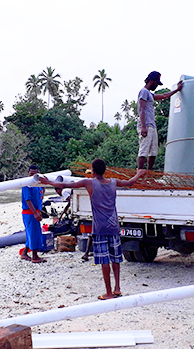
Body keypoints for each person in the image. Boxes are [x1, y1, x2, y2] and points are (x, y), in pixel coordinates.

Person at [39, 159, 145, 300]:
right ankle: (117, 288)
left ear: (93, 171)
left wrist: (48, 182)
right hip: (114, 226)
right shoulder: (113, 182)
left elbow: (66, 184)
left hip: (100, 228)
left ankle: (108, 292)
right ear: (105, 170)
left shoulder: (89, 183)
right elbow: (130, 183)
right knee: (115, 258)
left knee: (104, 259)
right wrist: (139, 174)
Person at [137, 71, 183, 170]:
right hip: (146, 125)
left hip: (152, 125)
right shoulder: (143, 91)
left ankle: (149, 174)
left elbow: (163, 96)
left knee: (153, 152)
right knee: (144, 150)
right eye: (156, 83)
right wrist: (143, 126)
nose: (157, 86)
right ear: (152, 81)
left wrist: (177, 90)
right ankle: (139, 173)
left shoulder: (149, 94)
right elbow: (141, 109)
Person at [21, 165, 46, 263]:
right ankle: (35, 256)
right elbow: (28, 200)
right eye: (31, 174)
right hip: (30, 212)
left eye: (35, 174)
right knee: (33, 233)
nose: (33, 176)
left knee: (30, 233)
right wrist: (35, 213)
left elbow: (41, 193)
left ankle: (24, 253)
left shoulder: (38, 184)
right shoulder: (27, 184)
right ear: (28, 172)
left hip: (35, 211)